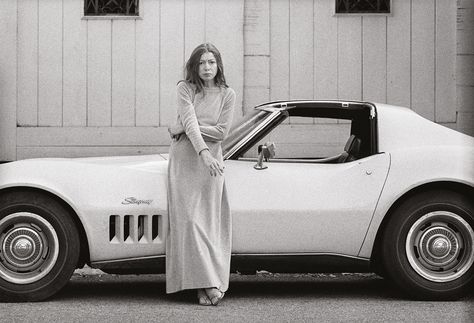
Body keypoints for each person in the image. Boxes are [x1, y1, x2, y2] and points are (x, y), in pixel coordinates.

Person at [166, 43, 236, 306]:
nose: (206, 68)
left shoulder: (228, 94)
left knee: (208, 226)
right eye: (201, 63)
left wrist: (182, 126)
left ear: (218, 65)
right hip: (187, 160)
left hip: (211, 165)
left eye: (211, 62)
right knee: (190, 224)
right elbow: (196, 127)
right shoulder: (185, 88)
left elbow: (222, 132)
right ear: (194, 66)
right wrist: (203, 151)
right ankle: (207, 284)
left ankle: (203, 286)